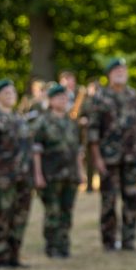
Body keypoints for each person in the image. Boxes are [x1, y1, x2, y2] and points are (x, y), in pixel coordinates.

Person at [88, 58, 136, 251]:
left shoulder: (134, 96)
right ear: (109, 75)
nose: (120, 73)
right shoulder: (100, 98)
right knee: (109, 200)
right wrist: (97, 158)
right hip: (108, 159)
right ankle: (108, 241)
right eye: (116, 70)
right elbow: (92, 132)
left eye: (123, 70)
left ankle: (129, 240)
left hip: (132, 157)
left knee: (131, 198)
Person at [0, 79, 33, 268]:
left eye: (13, 93)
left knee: (20, 217)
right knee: (2, 217)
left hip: (22, 177)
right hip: (3, 177)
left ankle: (14, 256)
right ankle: (0, 257)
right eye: (6, 93)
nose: (11, 96)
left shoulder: (19, 118)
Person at [32, 84, 84, 258]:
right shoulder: (42, 122)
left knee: (66, 212)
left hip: (69, 175)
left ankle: (63, 245)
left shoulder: (71, 122)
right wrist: (38, 175)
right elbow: (36, 151)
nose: (63, 101)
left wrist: (80, 172)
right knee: (52, 212)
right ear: (51, 100)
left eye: (65, 98)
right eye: (59, 98)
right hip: (51, 175)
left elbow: (77, 150)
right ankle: (52, 246)